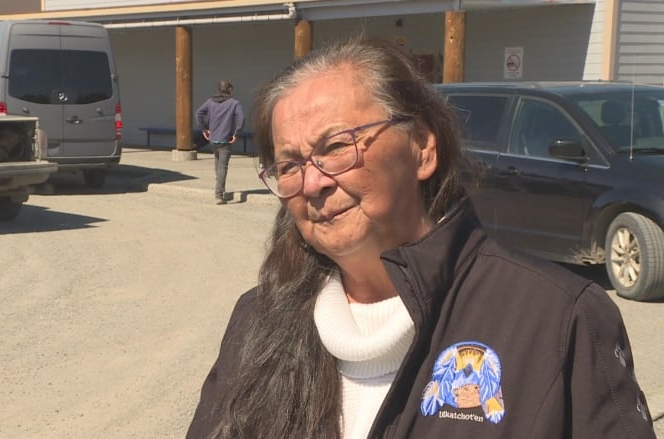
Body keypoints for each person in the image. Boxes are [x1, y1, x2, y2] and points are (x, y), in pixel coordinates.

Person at [187, 38, 656, 438]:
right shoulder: (259, 318)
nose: (313, 184)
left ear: (423, 148)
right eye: (289, 166)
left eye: (335, 148)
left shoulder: (558, 319)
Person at [195, 80, 245, 204]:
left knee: (218, 163)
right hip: (225, 139)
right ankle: (219, 193)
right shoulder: (234, 103)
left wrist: (203, 130)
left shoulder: (210, 102)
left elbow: (198, 113)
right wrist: (236, 133)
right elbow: (242, 118)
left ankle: (219, 186)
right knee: (222, 166)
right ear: (230, 90)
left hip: (213, 139)